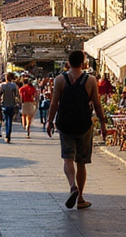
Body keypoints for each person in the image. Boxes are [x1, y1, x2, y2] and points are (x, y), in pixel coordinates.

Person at [45, 50, 107, 209]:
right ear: (83, 63)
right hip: (83, 123)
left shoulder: (60, 79)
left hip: (65, 122)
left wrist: (49, 121)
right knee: (81, 162)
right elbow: (97, 104)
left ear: (68, 62)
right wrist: (103, 122)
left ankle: (72, 185)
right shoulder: (91, 80)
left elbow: (54, 103)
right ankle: (80, 198)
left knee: (68, 158)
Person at [0, 72, 20, 143]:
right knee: (10, 120)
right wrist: (17, 104)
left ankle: (6, 134)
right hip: (12, 105)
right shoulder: (14, 86)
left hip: (4, 105)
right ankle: (8, 134)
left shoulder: (1, 86)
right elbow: (17, 96)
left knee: (6, 120)